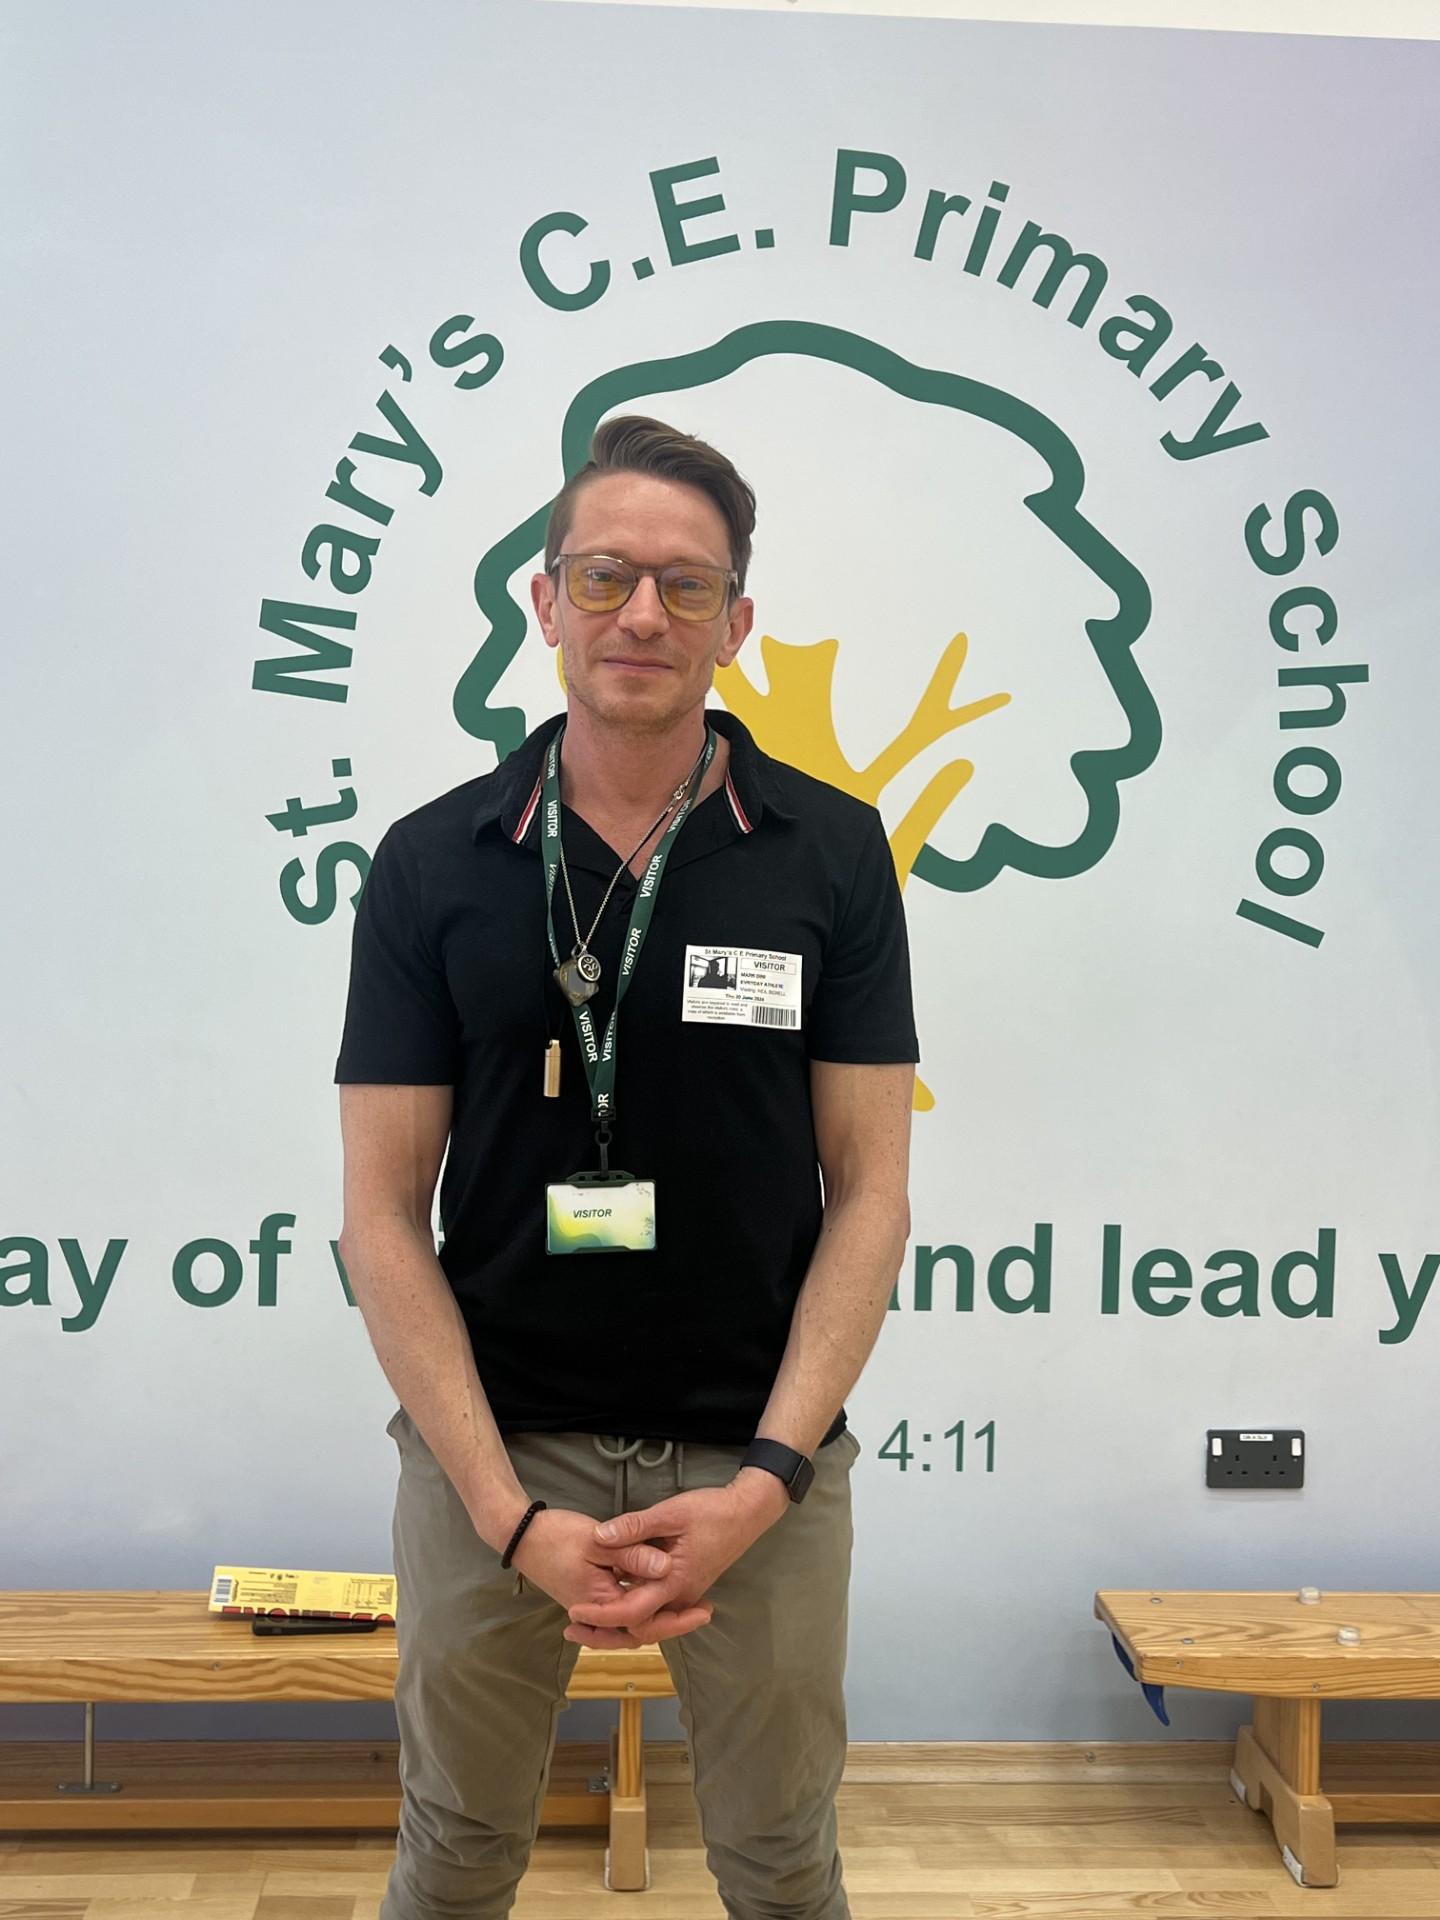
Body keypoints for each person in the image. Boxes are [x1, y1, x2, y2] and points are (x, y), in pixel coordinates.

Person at [335, 414, 918, 1920]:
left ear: (737, 621)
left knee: (783, 1865)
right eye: (603, 577)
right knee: (455, 1855)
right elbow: (382, 1216)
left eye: (684, 584)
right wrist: (504, 1513)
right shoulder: (433, 861)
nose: (642, 614)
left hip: (753, 1453)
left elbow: (870, 1191)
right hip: (497, 1449)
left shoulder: (831, 853)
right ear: (545, 603)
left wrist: (770, 1480)